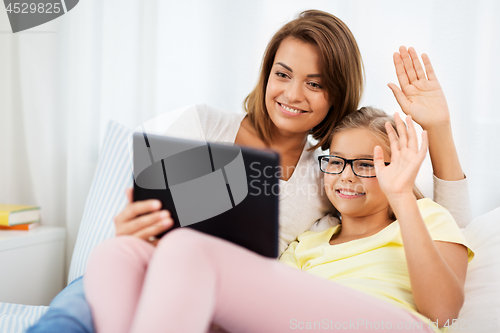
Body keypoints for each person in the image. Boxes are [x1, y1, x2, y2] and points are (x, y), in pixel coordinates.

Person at [27, 9, 471, 333]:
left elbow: (446, 227)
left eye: (315, 83)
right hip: (171, 274)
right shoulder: (206, 127)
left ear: (336, 96)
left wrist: (439, 130)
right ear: (266, 74)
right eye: (283, 74)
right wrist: (132, 230)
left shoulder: (335, 177)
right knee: (111, 256)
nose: (293, 94)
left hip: (227, 282)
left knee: (185, 250)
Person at [84, 105, 474, 332]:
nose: (346, 176)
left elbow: (443, 311)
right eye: (336, 162)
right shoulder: (309, 241)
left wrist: (401, 194)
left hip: (392, 325)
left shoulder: (423, 215)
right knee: (115, 255)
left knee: (187, 249)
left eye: (368, 165)